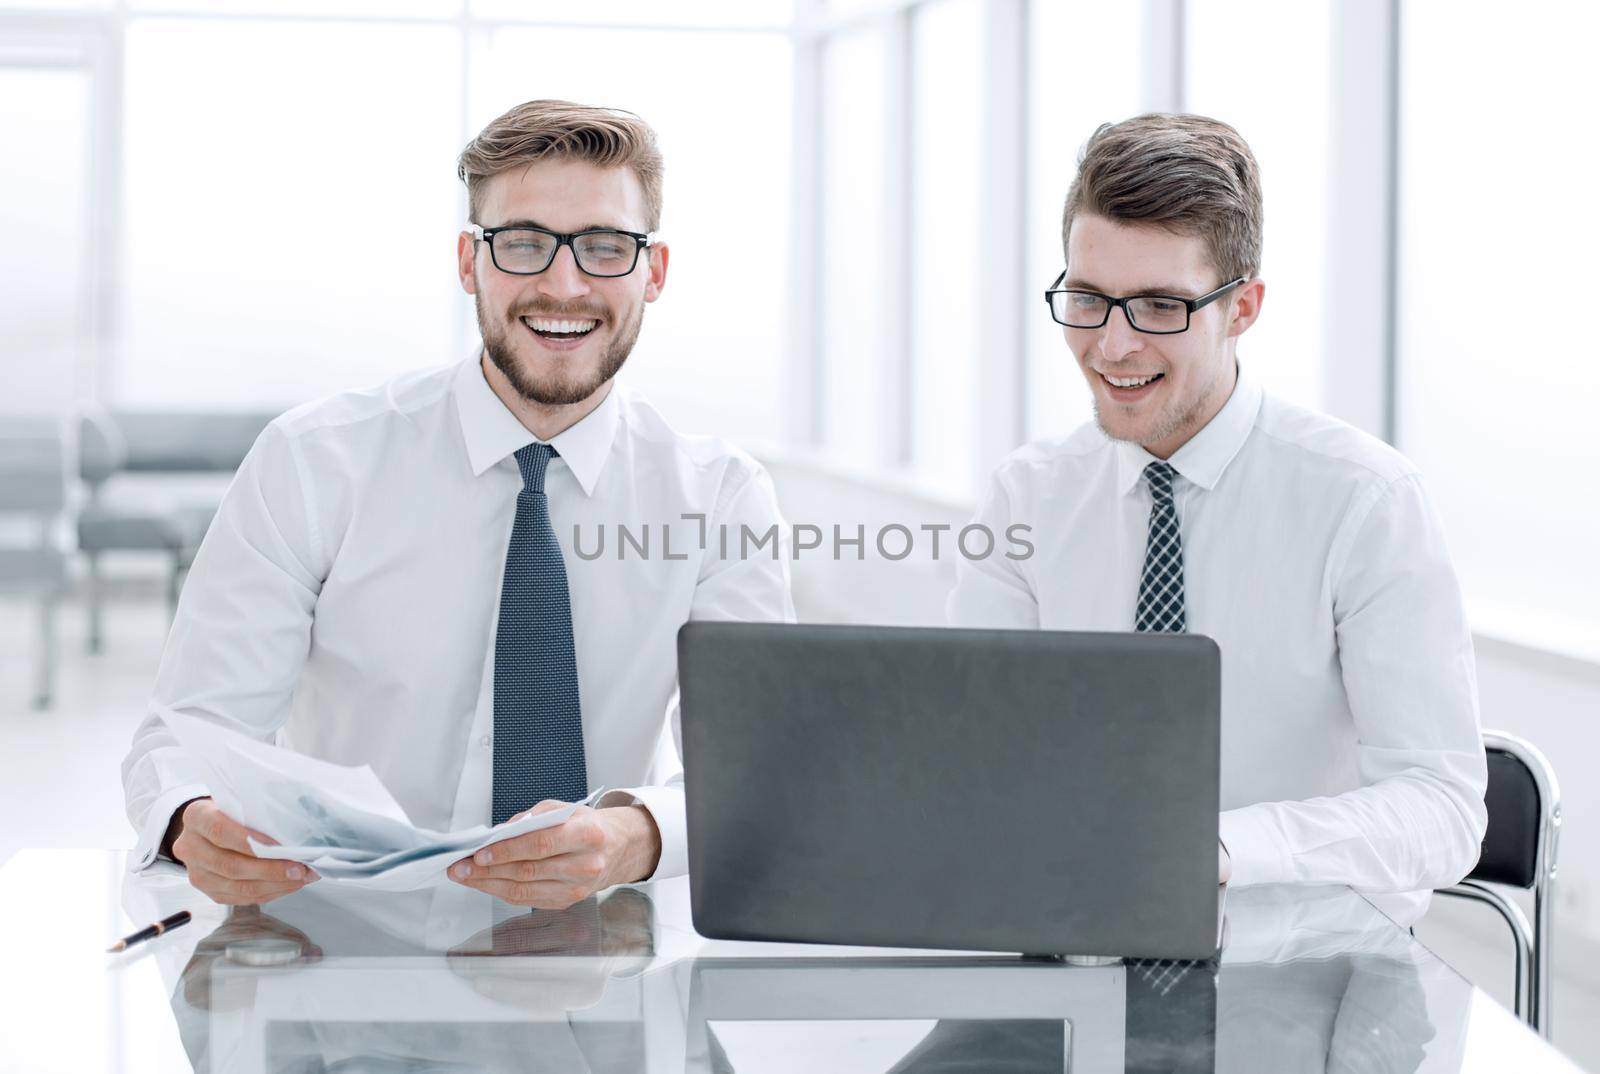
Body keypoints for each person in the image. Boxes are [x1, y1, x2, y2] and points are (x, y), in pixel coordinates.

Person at [121, 99, 794, 908]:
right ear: (469, 262)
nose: (564, 282)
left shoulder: (721, 499)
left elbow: (759, 775)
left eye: (606, 247)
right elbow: (188, 733)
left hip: (604, 960)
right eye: (523, 243)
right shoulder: (313, 462)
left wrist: (635, 837)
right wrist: (191, 816)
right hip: (342, 945)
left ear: (653, 272)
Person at [948, 113, 1486, 895]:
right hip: (1069, 936)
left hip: (1299, 956)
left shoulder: (1365, 501)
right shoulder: (1027, 498)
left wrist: (1222, 852)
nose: (1113, 345)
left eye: (1161, 307)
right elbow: (973, 755)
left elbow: (1441, 807)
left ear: (1244, 307)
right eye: (1089, 298)